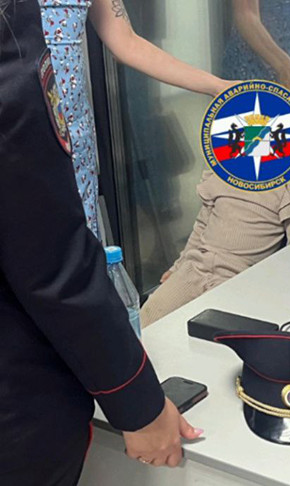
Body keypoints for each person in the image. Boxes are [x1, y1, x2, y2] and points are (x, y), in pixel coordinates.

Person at [0, 2, 202, 484]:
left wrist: (221, 88)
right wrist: (135, 399)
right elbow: (51, 260)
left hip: (63, 139)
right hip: (37, 155)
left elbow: (125, 40)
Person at [140, 0, 290, 327]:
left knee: (209, 333)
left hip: (236, 280)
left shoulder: (288, 190)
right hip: (194, 269)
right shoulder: (223, 175)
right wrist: (179, 266)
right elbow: (202, 222)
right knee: (150, 317)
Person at [39, 0, 233, 240]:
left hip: (74, 134)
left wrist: (217, 86)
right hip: (17, 129)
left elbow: (127, 42)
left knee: (78, 237)